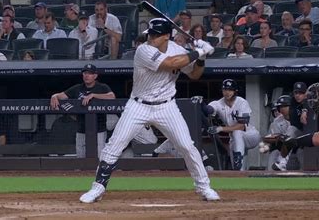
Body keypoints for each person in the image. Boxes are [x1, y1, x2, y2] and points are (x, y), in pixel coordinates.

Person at [79, 18, 218, 203]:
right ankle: (97, 188)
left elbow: (194, 74)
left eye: (156, 35)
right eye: (150, 34)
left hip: (166, 106)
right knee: (114, 146)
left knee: (187, 146)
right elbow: (170, 63)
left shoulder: (179, 50)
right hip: (138, 106)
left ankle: (204, 187)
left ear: (167, 36)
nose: (151, 38)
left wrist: (201, 58)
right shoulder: (143, 50)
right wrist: (199, 50)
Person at [50, 64, 115, 158]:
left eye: (90, 73)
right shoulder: (77, 88)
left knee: (100, 155)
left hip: (99, 128)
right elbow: (62, 95)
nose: (87, 76)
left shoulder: (102, 87)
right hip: (81, 127)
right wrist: (54, 96)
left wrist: (93, 95)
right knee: (81, 155)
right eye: (85, 73)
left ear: (95, 76)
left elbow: (111, 97)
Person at [207, 79, 260, 170]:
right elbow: (209, 109)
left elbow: (241, 126)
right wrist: (200, 105)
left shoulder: (242, 102)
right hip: (235, 140)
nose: (227, 92)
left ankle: (238, 159)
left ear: (235, 91)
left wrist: (220, 129)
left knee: (237, 133)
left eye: (230, 90)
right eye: (225, 90)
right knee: (238, 169)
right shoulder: (219, 103)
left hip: (250, 135)